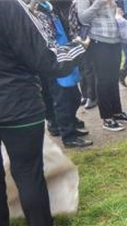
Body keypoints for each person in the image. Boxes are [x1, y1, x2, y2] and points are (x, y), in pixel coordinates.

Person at [0, 0, 86, 226]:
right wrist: (78, 47)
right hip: (17, 105)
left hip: (14, 103)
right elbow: (46, 59)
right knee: (29, 173)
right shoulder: (7, 6)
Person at [32, 0, 94, 148]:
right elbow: (49, 40)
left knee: (74, 96)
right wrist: (76, 45)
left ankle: (71, 125)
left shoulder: (50, 8)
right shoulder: (37, 11)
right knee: (62, 100)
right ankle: (68, 136)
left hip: (65, 56)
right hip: (55, 61)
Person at [78, 0, 127, 131]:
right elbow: (82, 18)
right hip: (98, 40)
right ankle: (107, 118)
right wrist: (99, 3)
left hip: (115, 39)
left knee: (113, 79)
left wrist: (118, 12)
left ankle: (117, 112)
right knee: (103, 80)